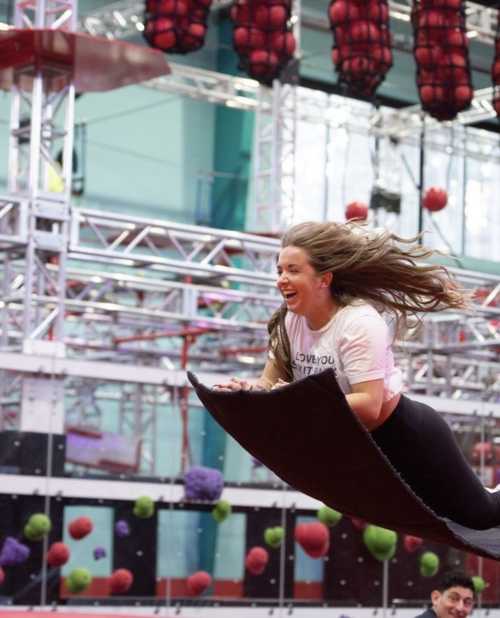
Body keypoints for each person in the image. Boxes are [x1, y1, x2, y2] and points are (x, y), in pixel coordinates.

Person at [214, 220, 500, 530]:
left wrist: (301, 403)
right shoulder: (289, 322)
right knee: (423, 520)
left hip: (408, 439)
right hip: (359, 446)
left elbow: (369, 404)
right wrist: (246, 390)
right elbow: (268, 384)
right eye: (280, 270)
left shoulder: (358, 323)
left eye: (293, 270)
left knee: (480, 517)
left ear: (324, 279)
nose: (282, 279)